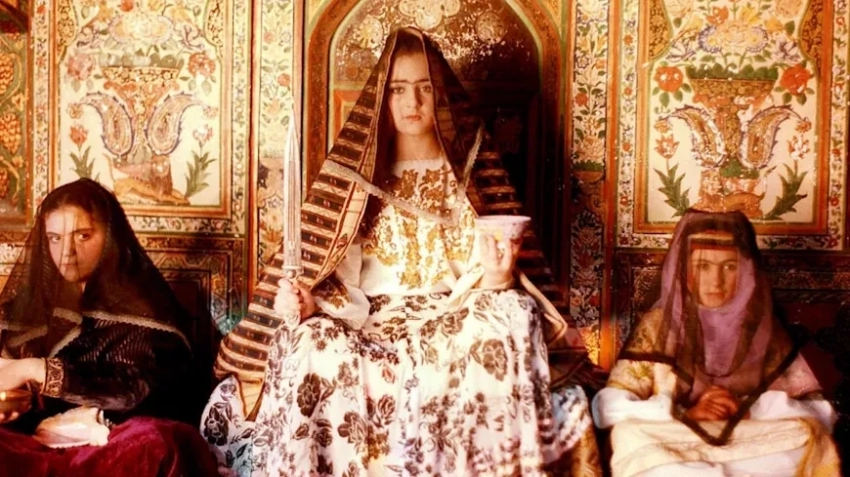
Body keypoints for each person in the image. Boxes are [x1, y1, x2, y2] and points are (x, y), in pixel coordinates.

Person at [203, 27, 604, 476]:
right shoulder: (359, 177)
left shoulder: (468, 170)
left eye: (424, 88)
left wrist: (495, 277)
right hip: (370, 324)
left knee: (513, 310)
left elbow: (483, 268)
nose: (412, 102)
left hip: (451, 319)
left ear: (440, 95)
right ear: (382, 98)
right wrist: (310, 302)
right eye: (398, 90)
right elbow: (335, 267)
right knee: (309, 341)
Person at [592, 209, 841, 477]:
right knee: (628, 434)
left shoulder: (762, 327)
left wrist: (748, 409)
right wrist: (682, 414)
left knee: (811, 434)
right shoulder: (658, 325)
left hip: (749, 436)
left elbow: (822, 412)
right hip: (679, 436)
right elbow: (607, 407)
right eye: (703, 267)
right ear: (683, 270)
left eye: (730, 267)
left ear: (746, 271)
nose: (716, 281)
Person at [0, 178, 217, 476]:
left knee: (157, 442)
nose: (67, 252)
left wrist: (34, 369)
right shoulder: (31, 310)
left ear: (111, 237)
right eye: (54, 238)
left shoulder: (146, 310)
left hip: (111, 444)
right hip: (35, 443)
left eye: (83, 236)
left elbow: (134, 391)